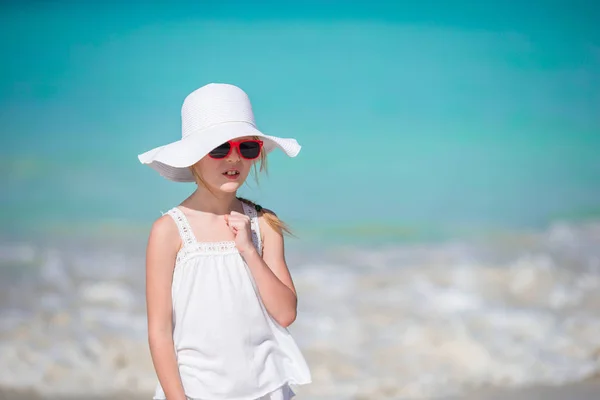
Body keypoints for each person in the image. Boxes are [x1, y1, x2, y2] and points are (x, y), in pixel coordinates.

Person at [137, 83, 312, 400]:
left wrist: (248, 250)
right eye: (219, 148)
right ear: (193, 156)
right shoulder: (169, 230)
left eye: (246, 148)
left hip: (268, 390)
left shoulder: (263, 224)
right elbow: (159, 332)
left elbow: (286, 313)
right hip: (196, 392)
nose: (233, 158)